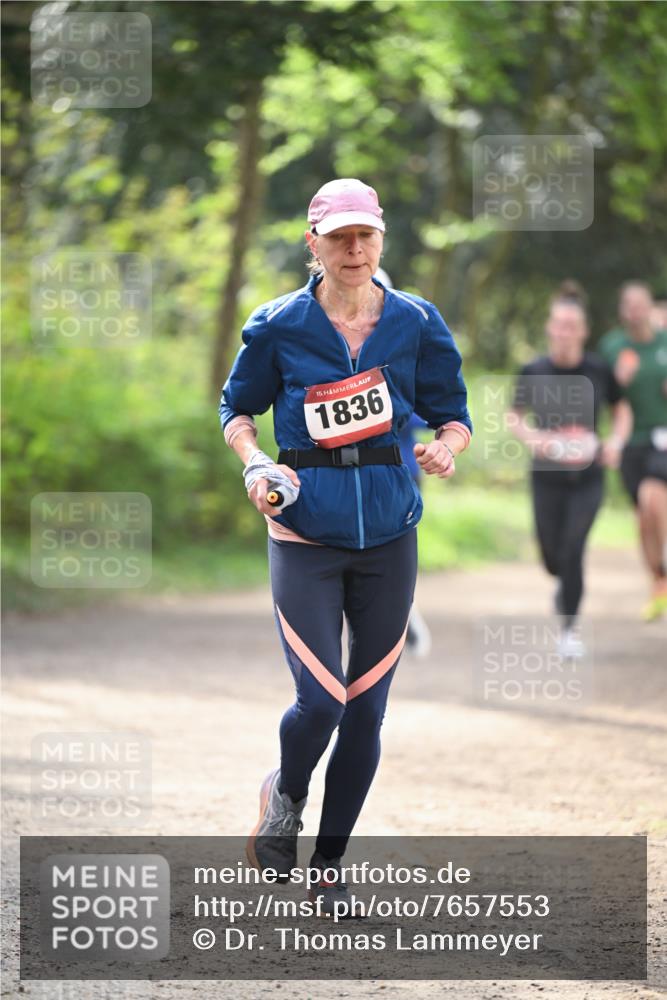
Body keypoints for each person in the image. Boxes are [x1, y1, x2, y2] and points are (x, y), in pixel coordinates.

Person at [219, 178, 472, 917]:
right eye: (339, 237)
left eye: (365, 235)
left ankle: (328, 867)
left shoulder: (416, 323)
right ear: (314, 244)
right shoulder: (278, 325)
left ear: (381, 241)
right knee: (323, 697)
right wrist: (256, 461)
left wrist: (445, 448)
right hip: (305, 534)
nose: (353, 249)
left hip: (390, 535)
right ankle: (284, 796)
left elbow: (450, 414)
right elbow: (237, 409)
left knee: (366, 709)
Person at [509, 282, 627, 657]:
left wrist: (615, 444)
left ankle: (569, 631)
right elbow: (515, 416)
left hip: (587, 477)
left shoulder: (598, 369)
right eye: (558, 325)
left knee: (573, 549)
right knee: (552, 557)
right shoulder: (533, 370)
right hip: (546, 476)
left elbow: (621, 411)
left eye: (571, 326)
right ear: (549, 328)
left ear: (583, 331)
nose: (563, 332)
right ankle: (563, 586)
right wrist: (535, 439)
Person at [598, 282, 667, 620]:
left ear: (649, 306)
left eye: (641, 304)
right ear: (622, 310)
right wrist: (617, 381)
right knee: (642, 517)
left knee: (652, 495)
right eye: (629, 305)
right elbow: (600, 392)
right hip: (631, 440)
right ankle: (658, 582)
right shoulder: (613, 348)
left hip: (664, 435)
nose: (635, 311)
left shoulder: (664, 341)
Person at [376, 266, 432, 657]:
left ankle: (403, 612)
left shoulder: (409, 347)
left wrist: (395, 413)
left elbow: (435, 411)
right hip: (343, 472)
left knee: (389, 553)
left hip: (402, 471)